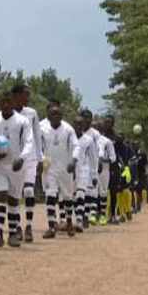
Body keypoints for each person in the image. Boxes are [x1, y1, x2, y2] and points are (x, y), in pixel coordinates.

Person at [0, 92, 34, 247]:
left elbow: (29, 142)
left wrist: (22, 158)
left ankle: (14, 232)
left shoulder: (22, 121)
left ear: (13, 103)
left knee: (14, 200)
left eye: (9, 102)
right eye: (3, 102)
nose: (6, 105)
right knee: (0, 195)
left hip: (17, 165)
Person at [40, 101, 78, 238]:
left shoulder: (68, 130)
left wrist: (73, 161)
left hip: (65, 168)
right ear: (48, 116)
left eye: (58, 114)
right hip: (49, 168)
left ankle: (68, 223)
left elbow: (76, 146)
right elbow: (38, 147)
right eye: (52, 114)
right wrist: (40, 160)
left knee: (67, 197)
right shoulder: (42, 129)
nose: (55, 116)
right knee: (50, 196)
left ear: (62, 116)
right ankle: (51, 227)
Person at [11, 84, 42, 242]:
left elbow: (37, 135)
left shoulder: (32, 113)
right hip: (13, 158)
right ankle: (16, 226)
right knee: (15, 193)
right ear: (16, 95)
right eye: (25, 94)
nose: (28, 97)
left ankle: (28, 226)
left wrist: (40, 158)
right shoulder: (8, 111)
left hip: (30, 158)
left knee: (29, 191)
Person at [69, 115, 94, 234]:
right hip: (71, 169)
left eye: (80, 124)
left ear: (83, 125)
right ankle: (77, 215)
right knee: (72, 196)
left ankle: (79, 220)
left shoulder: (88, 140)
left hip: (84, 169)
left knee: (80, 193)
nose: (78, 126)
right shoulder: (69, 138)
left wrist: (93, 175)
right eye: (76, 124)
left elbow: (93, 158)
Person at [79, 108, 101, 228]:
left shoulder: (95, 134)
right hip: (78, 164)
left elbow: (98, 150)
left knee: (87, 191)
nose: (86, 120)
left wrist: (98, 164)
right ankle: (80, 214)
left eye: (88, 117)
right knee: (78, 192)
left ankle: (85, 216)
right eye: (84, 117)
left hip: (90, 164)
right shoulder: (76, 131)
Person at [97, 122, 117, 226]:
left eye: (98, 128)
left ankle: (103, 215)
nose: (96, 130)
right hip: (91, 169)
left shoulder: (107, 142)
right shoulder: (88, 140)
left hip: (104, 169)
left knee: (103, 191)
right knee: (91, 192)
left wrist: (103, 160)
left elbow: (113, 158)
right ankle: (91, 214)